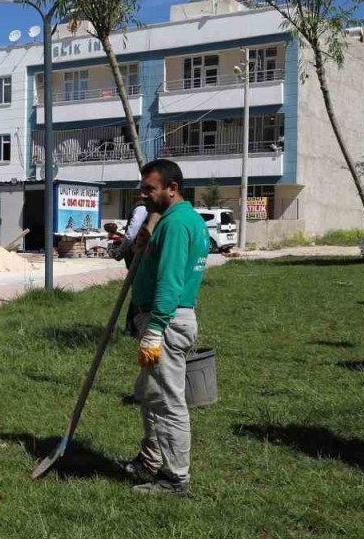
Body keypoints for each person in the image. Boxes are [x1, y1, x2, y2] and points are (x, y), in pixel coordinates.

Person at [122, 159, 208, 495]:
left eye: (149, 189)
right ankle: (150, 460)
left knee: (169, 402)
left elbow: (170, 282)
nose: (142, 194)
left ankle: (175, 479)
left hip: (167, 322)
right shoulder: (179, 219)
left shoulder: (176, 225)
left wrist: (155, 328)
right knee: (150, 394)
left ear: (171, 188)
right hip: (165, 319)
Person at [121, 198, 150, 338]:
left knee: (140, 292)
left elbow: (131, 232)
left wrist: (121, 250)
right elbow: (132, 233)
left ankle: (134, 330)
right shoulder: (144, 208)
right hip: (138, 255)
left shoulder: (142, 208)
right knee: (138, 291)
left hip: (140, 255)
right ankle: (133, 329)